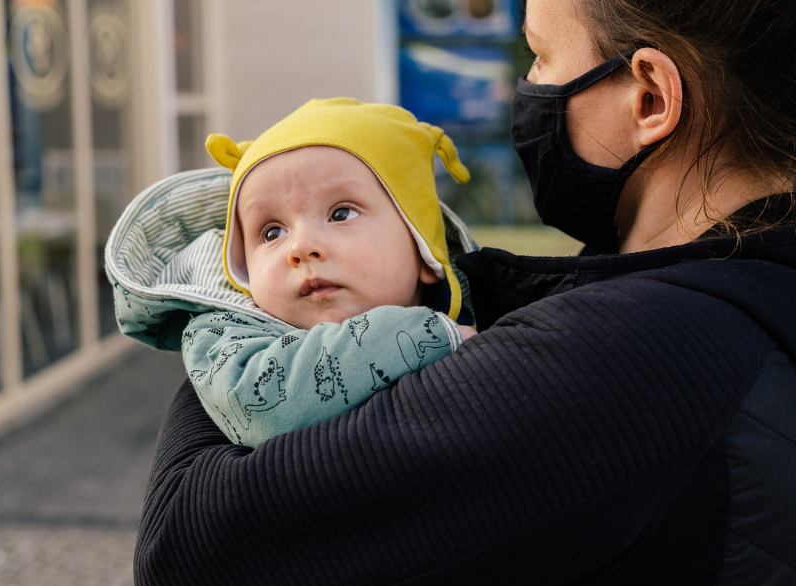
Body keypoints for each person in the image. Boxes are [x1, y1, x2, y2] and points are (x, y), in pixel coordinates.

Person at [131, 0, 796, 584]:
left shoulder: (641, 352)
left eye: (539, 55)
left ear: (648, 98)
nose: (525, 85)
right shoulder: (712, 279)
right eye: (271, 232)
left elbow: (187, 549)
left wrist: (229, 313)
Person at [106, 98, 477, 448]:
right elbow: (259, 403)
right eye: (272, 232)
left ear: (423, 251)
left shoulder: (492, 310)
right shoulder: (224, 336)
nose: (300, 248)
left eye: (341, 213)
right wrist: (429, 335)